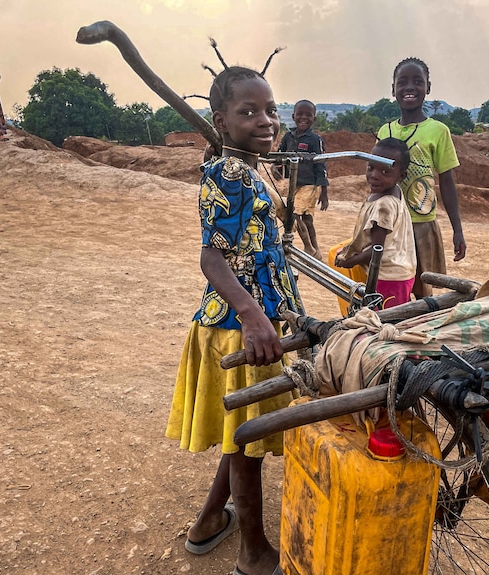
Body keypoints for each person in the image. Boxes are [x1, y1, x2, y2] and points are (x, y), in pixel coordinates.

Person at [165, 42, 292, 575]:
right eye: (248, 112)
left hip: (253, 321)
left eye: (270, 110)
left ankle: (210, 521)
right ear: (221, 119)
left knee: (240, 429)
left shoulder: (252, 168)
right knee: (246, 444)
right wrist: (254, 315)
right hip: (236, 328)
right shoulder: (230, 173)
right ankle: (253, 552)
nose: (264, 120)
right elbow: (211, 258)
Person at [376, 57, 466, 299]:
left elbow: (446, 181)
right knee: (392, 288)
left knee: (423, 290)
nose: (410, 87)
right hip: (390, 225)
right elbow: (376, 178)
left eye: (418, 81)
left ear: (428, 87)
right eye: (402, 82)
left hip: (422, 224)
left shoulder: (438, 131)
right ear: (392, 89)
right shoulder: (385, 132)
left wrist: (457, 229)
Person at [334, 138, 416, 309]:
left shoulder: (383, 206)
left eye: (385, 172)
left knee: (383, 322)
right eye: (371, 167)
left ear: (401, 176)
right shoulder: (394, 191)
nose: (374, 175)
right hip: (399, 272)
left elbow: (377, 250)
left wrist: (351, 261)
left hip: (388, 278)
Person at [272, 100, 329, 258]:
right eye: (300, 114)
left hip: (310, 185)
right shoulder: (288, 137)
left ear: (314, 119)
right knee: (307, 220)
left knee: (294, 215)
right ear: (293, 116)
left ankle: (308, 248)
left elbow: (321, 165)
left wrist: (324, 191)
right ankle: (316, 251)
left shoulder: (315, 140)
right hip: (294, 184)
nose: (304, 117)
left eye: (308, 115)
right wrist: (274, 167)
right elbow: (278, 156)